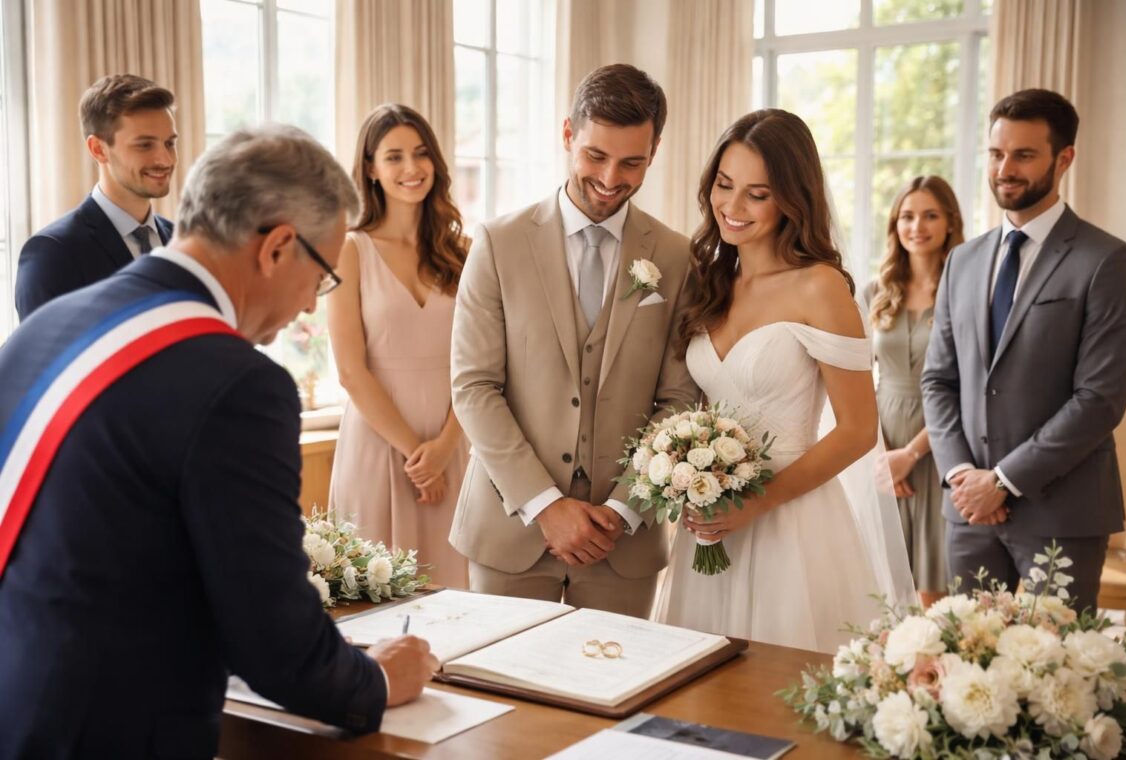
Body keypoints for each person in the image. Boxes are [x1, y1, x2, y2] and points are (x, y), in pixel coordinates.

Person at [0, 125, 437, 759]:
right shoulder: (238, 384)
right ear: (278, 247)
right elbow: (278, 647)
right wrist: (376, 678)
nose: (310, 308)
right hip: (110, 733)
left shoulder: (44, 330)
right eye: (322, 277)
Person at [657, 109, 916, 652]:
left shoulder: (819, 287)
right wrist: (683, 476)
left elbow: (857, 430)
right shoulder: (710, 282)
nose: (732, 206)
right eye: (724, 186)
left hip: (791, 522)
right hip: (710, 521)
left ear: (791, 199)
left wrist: (756, 502)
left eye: (758, 193)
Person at [449, 64, 699, 617]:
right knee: (508, 695)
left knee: (617, 698)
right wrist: (545, 506)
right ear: (568, 136)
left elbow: (680, 400)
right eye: (595, 156)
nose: (611, 178)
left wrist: (625, 508)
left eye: (632, 162)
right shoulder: (498, 242)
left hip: (623, 543)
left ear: (653, 152)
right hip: (510, 532)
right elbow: (473, 388)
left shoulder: (677, 258)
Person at [922, 89, 1126, 612]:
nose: (1005, 169)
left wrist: (1003, 481)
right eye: (996, 154)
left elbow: (1099, 399)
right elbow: (938, 380)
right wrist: (961, 477)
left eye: (1024, 155)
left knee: (1059, 678)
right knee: (964, 667)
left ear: (1064, 158)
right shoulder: (963, 261)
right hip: (969, 513)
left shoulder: (1109, 262)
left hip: (1062, 515)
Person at [328, 104, 470, 589]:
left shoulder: (461, 252)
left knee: (456, 597)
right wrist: (418, 457)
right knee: (376, 600)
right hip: (379, 443)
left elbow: (481, 363)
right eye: (394, 157)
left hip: (453, 445)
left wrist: (446, 447)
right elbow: (350, 371)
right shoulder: (349, 249)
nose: (411, 169)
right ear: (370, 168)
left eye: (420, 153)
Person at [863, 176, 964, 607]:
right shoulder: (875, 291)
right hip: (883, 439)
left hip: (942, 441)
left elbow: (966, 385)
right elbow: (857, 379)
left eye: (929, 215)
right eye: (907, 216)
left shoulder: (964, 289)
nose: (916, 226)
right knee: (884, 580)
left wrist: (911, 454)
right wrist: (884, 454)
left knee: (934, 585)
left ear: (949, 223)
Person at [16, 73, 177, 320]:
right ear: (98, 149)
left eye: (169, 144)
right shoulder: (52, 253)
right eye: (145, 145)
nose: (165, 160)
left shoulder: (180, 241)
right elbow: (47, 357)